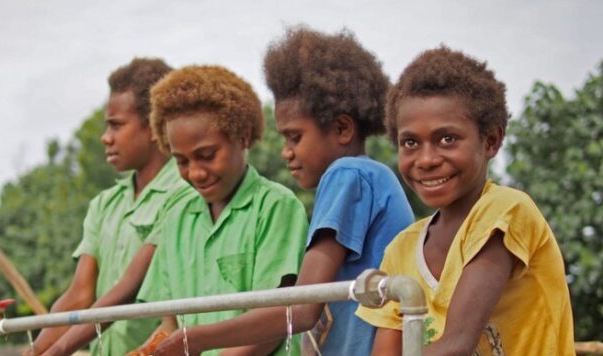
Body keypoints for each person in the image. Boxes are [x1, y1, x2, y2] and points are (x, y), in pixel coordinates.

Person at [150, 27, 415, 356]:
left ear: (342, 128)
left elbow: (301, 309)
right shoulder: (370, 177)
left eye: (295, 137)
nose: (285, 152)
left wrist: (196, 339)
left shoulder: (348, 174)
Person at [356, 47, 576, 355]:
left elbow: (457, 345)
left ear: (491, 141)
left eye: (447, 139)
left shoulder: (506, 210)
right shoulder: (401, 249)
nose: (427, 159)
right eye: (410, 143)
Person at [131, 65, 309, 356]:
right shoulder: (176, 218)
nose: (196, 173)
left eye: (207, 155)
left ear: (241, 137)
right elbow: (171, 323)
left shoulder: (276, 207)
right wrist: (147, 350)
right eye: (182, 161)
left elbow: (275, 324)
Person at [30, 58, 193, 356]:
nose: (106, 137)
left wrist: (59, 350)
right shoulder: (104, 205)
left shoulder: (185, 193)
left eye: (116, 125)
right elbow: (80, 294)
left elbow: (126, 292)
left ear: (154, 127)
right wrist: (37, 348)